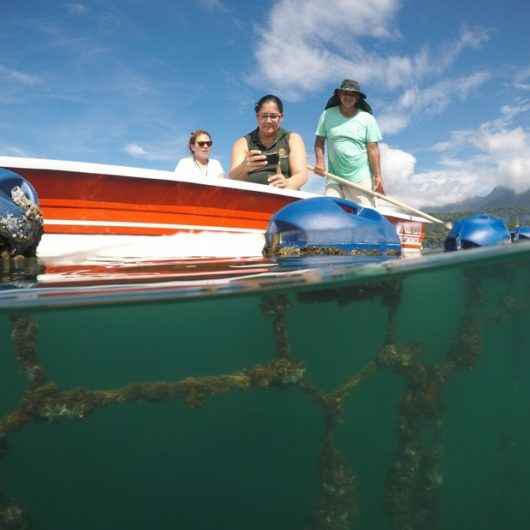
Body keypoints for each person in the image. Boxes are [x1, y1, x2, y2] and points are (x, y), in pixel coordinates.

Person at [314, 79, 384, 207]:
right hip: (334, 177)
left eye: (353, 94)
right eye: (345, 93)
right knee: (330, 210)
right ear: (339, 95)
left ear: (357, 98)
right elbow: (319, 142)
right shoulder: (327, 114)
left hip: (360, 179)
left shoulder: (368, 119)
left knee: (364, 217)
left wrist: (378, 177)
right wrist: (319, 161)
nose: (348, 97)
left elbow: (373, 150)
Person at [229, 95, 307, 190]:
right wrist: (245, 166)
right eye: (264, 116)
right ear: (257, 117)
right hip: (249, 197)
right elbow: (233, 177)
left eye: (273, 116)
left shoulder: (293, 138)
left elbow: (301, 174)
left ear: (281, 117)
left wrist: (287, 183)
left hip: (285, 196)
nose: (268, 121)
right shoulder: (242, 142)